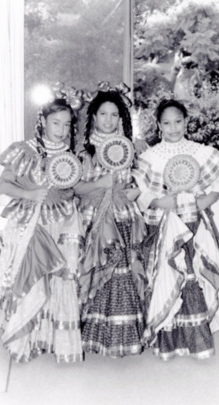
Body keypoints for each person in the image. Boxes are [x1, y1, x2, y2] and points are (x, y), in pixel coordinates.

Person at [132, 98, 219, 361]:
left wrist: (205, 200)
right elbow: (140, 192)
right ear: (158, 125)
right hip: (162, 225)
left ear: (186, 122)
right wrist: (159, 201)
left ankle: (196, 342)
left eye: (178, 121)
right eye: (166, 123)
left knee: (191, 275)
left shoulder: (199, 151)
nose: (173, 128)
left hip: (192, 222)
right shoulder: (149, 156)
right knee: (166, 275)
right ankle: (167, 342)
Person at [0, 88, 85, 363]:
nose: (62, 129)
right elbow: (0, 184)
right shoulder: (25, 150)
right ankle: (23, 340)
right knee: (33, 279)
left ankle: (51, 339)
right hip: (30, 222)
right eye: (56, 123)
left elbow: (70, 188)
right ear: (42, 121)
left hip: (63, 221)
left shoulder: (69, 154)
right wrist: (29, 194)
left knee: (59, 279)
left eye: (67, 124)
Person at [74, 83, 146, 358]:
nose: (108, 119)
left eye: (114, 115)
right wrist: (101, 184)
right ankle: (97, 338)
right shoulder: (84, 151)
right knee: (100, 271)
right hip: (95, 218)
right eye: (103, 114)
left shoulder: (132, 149)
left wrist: (136, 189)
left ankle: (123, 339)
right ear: (93, 117)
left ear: (122, 119)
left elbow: (143, 180)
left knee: (123, 271)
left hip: (124, 215)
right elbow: (75, 188)